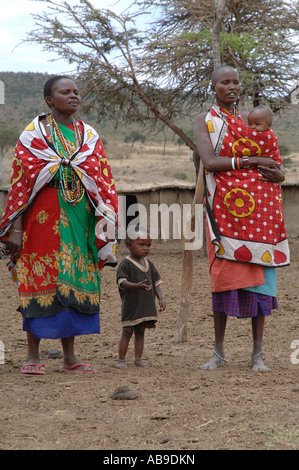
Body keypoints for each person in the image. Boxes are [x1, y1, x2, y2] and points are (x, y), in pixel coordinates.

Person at [0, 75, 118, 375]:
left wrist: (103, 224)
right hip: (41, 217)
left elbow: (102, 178)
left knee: (74, 278)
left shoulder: (88, 135)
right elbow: (20, 183)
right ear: (49, 100)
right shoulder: (33, 134)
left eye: (76, 91)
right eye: (65, 92)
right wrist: (15, 227)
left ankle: (69, 358)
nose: (74, 96)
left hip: (80, 216)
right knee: (38, 278)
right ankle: (32, 356)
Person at [194, 65, 290, 371]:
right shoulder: (206, 120)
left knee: (262, 282)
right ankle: (218, 352)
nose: (232, 87)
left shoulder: (252, 122)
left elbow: (275, 163)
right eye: (225, 82)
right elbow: (209, 162)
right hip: (223, 212)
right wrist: (253, 160)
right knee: (222, 280)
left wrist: (278, 172)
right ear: (214, 88)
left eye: (236, 82)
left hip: (260, 216)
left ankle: (257, 354)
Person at [116, 227, 166, 369]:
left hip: (145, 305)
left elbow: (156, 283)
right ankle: (121, 360)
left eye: (148, 245)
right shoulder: (125, 264)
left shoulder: (149, 264)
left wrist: (160, 298)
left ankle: (138, 359)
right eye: (141, 244)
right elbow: (122, 282)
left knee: (140, 331)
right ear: (128, 245)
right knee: (127, 331)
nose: (146, 249)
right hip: (132, 305)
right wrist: (136, 285)